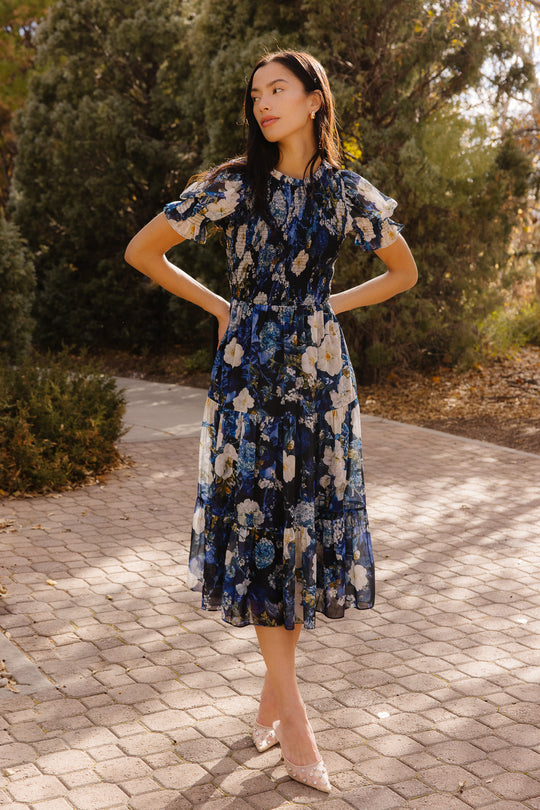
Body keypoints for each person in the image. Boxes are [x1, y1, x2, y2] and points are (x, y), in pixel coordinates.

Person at [125, 49, 417, 793]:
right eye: (255, 93)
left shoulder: (345, 191)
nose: (262, 103)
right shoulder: (232, 185)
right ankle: (296, 722)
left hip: (320, 384)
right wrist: (222, 307)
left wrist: (327, 306)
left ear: (316, 99)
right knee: (259, 529)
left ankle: (271, 702)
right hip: (249, 383)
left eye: (278, 89)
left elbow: (403, 272)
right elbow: (143, 251)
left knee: (299, 533)